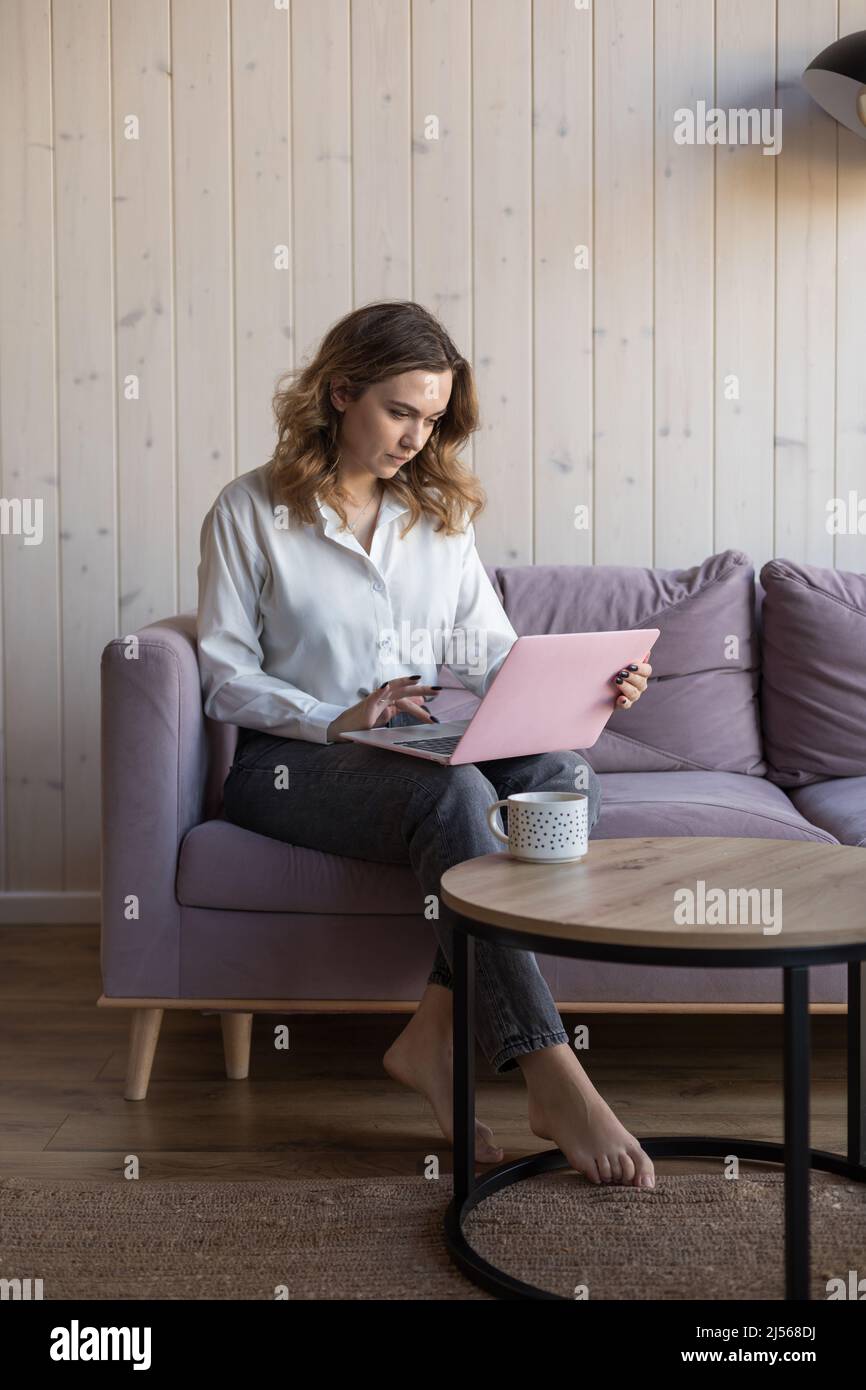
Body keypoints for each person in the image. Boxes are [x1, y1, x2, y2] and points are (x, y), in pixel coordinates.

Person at [195, 300, 655, 1188]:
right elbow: (223, 674)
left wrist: (589, 683)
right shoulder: (250, 509)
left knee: (560, 776)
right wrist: (336, 716)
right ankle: (551, 1072)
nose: (417, 436)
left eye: (433, 418)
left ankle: (437, 1031)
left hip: (412, 746)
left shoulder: (435, 515)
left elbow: (488, 653)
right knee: (455, 797)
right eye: (400, 411)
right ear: (340, 393)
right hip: (289, 763)